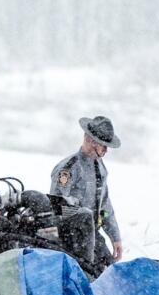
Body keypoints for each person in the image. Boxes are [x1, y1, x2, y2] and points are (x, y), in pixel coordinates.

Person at [50, 115, 121, 270]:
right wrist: (83, 215)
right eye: (103, 146)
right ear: (90, 141)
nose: (106, 151)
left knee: (110, 273)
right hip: (70, 238)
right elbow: (57, 207)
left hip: (93, 236)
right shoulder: (68, 168)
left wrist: (115, 237)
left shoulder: (100, 168)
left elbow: (105, 206)